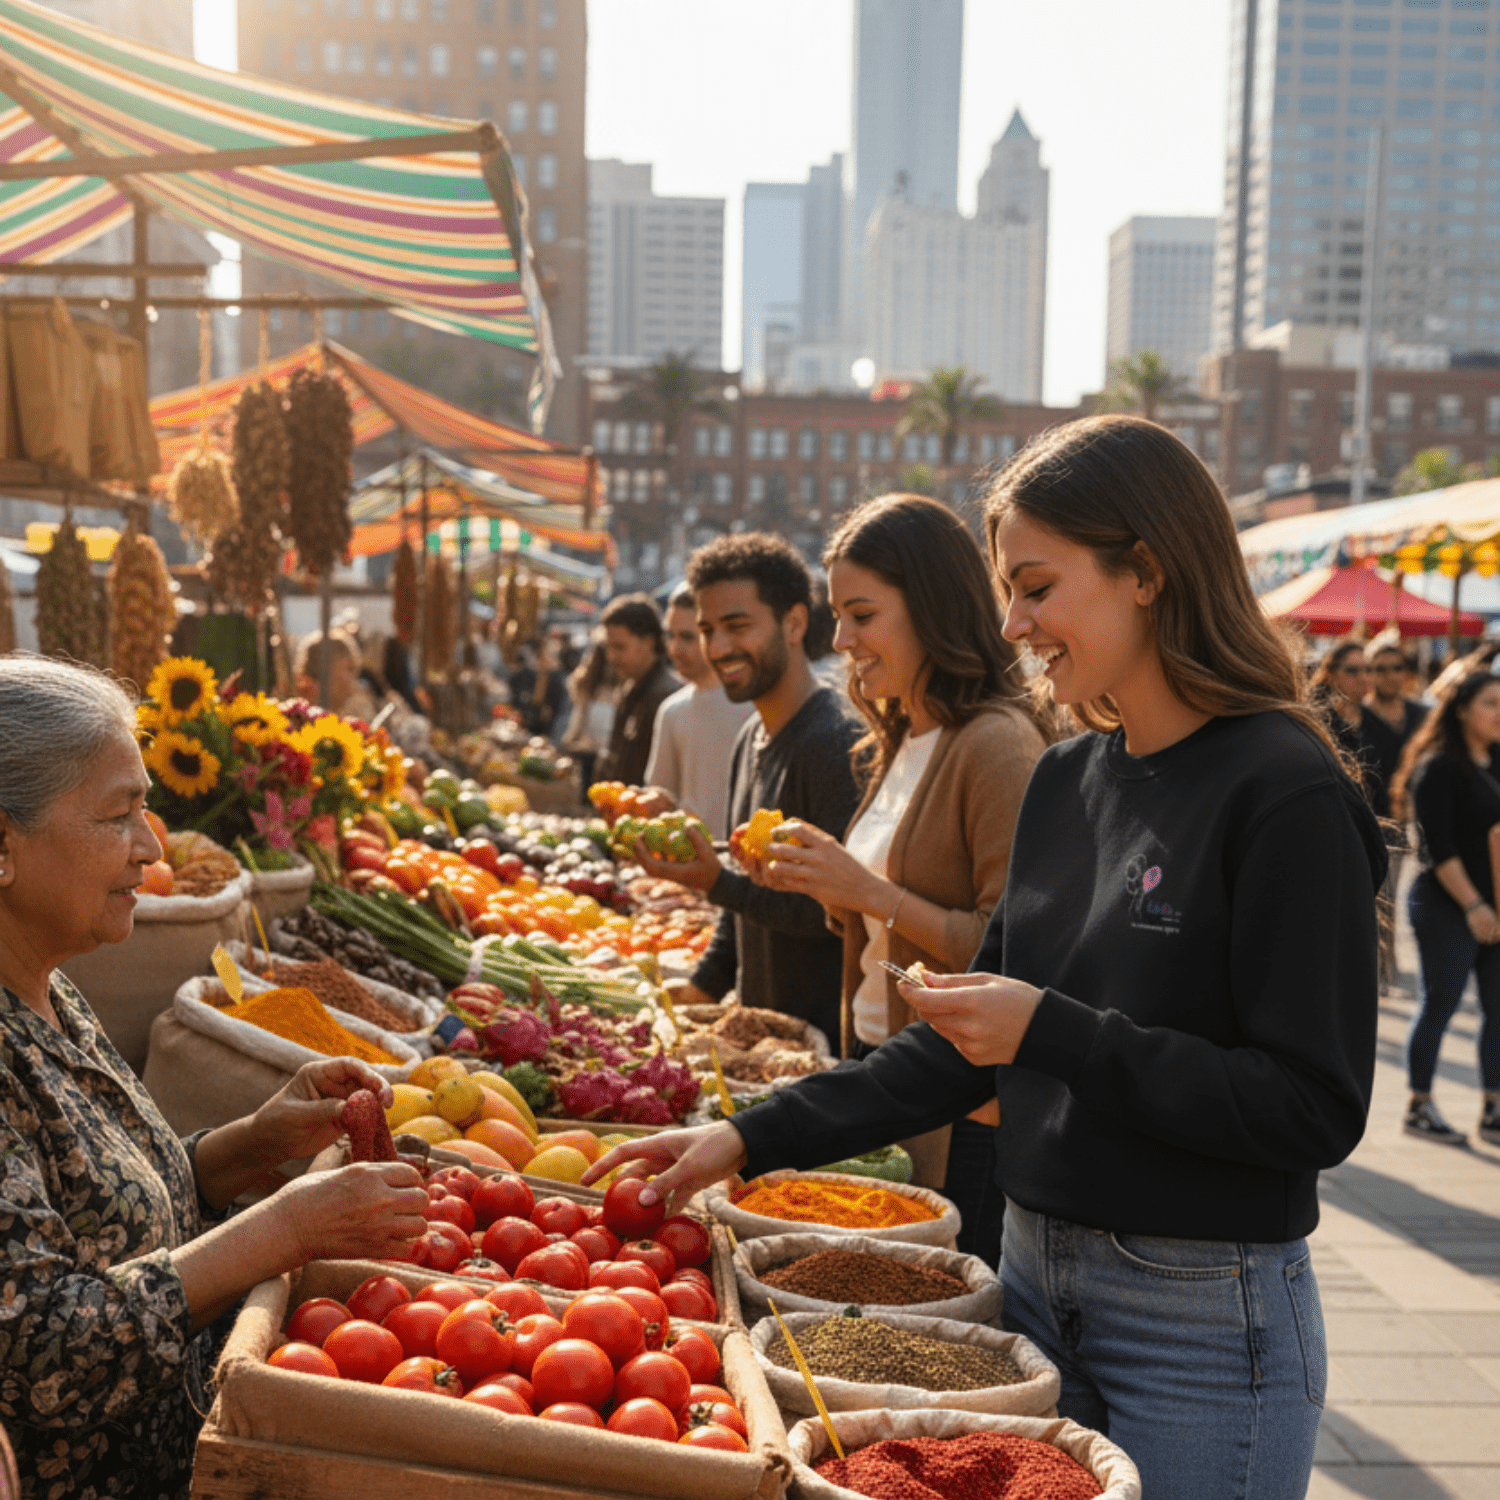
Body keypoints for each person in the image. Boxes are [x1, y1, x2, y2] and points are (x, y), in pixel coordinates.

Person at [588, 416, 1384, 1500]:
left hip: (1200, 1314)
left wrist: (1049, 1031)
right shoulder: (1070, 782)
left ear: (1145, 570)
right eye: (1008, 589)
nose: (1013, 623)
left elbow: (1312, 1106)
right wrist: (740, 1136)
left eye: (1037, 586)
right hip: (1031, 1283)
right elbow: (961, 1049)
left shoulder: (1282, 788)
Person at [0, 657, 428, 1499]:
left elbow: (109, 1208)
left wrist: (250, 1146)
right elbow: (45, 1358)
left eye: (147, 810)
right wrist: (284, 1230)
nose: (151, 847)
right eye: (119, 816)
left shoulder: (50, 990)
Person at [754, 493, 1051, 1262]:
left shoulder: (995, 745)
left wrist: (868, 892)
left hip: (962, 1123)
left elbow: (1008, 948)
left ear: (932, 608)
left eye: (862, 615)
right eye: (838, 617)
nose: (841, 640)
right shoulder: (902, 736)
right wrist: (825, 885)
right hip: (886, 1089)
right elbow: (882, 927)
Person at [633, 534, 862, 1047]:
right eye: (707, 630)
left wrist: (715, 882)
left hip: (822, 1047)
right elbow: (742, 909)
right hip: (764, 1043)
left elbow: (836, 912)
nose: (718, 650)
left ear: (795, 623)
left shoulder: (834, 742)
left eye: (737, 627)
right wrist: (701, 987)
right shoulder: (750, 739)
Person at [1390, 670, 1500, 1148]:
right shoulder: (1437, 766)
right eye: (1491, 703)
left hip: (1493, 905)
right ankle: (1419, 1104)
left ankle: (1493, 1107)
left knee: (1498, 1010)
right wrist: (1474, 905)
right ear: (1461, 709)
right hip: (1446, 905)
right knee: (1440, 1004)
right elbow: (1439, 847)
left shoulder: (1495, 762)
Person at [642, 584, 755, 837]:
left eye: (688, 637)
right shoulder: (671, 711)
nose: (675, 649)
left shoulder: (756, 707)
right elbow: (659, 799)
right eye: (671, 636)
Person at [1363, 631, 1428, 983]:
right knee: (1372, 897)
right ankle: (1375, 964)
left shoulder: (1420, 714)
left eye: (1396, 668)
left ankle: (1384, 962)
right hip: (1366, 820)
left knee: (1391, 895)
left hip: (1404, 823)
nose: (1389, 675)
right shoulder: (1358, 718)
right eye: (1381, 668)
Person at [596, 594, 681, 787]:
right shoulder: (632, 688)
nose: (611, 656)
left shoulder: (665, 697)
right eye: (608, 647)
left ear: (648, 643)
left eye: (619, 647)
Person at [1310, 638, 1387, 810]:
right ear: (1330, 675)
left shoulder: (1376, 723)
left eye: (1367, 669)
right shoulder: (1316, 721)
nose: (1362, 678)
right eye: (1352, 670)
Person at [561, 636, 617, 792]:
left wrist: (571, 738)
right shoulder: (589, 683)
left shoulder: (617, 685)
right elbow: (580, 714)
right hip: (591, 750)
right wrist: (571, 738)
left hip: (600, 751)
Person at [507, 641, 567, 739]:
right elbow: (517, 701)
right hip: (523, 728)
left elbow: (557, 711)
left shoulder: (556, 682)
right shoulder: (525, 677)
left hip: (545, 731)